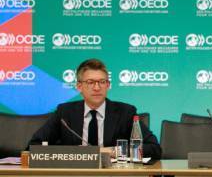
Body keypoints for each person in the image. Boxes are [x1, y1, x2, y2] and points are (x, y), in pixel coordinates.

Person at [29, 58, 162, 160]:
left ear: (108, 85)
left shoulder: (126, 112)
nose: (97, 88)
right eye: (90, 82)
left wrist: (113, 151)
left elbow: (154, 149)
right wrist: (73, 153)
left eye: (102, 82)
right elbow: (34, 146)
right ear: (79, 86)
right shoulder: (65, 112)